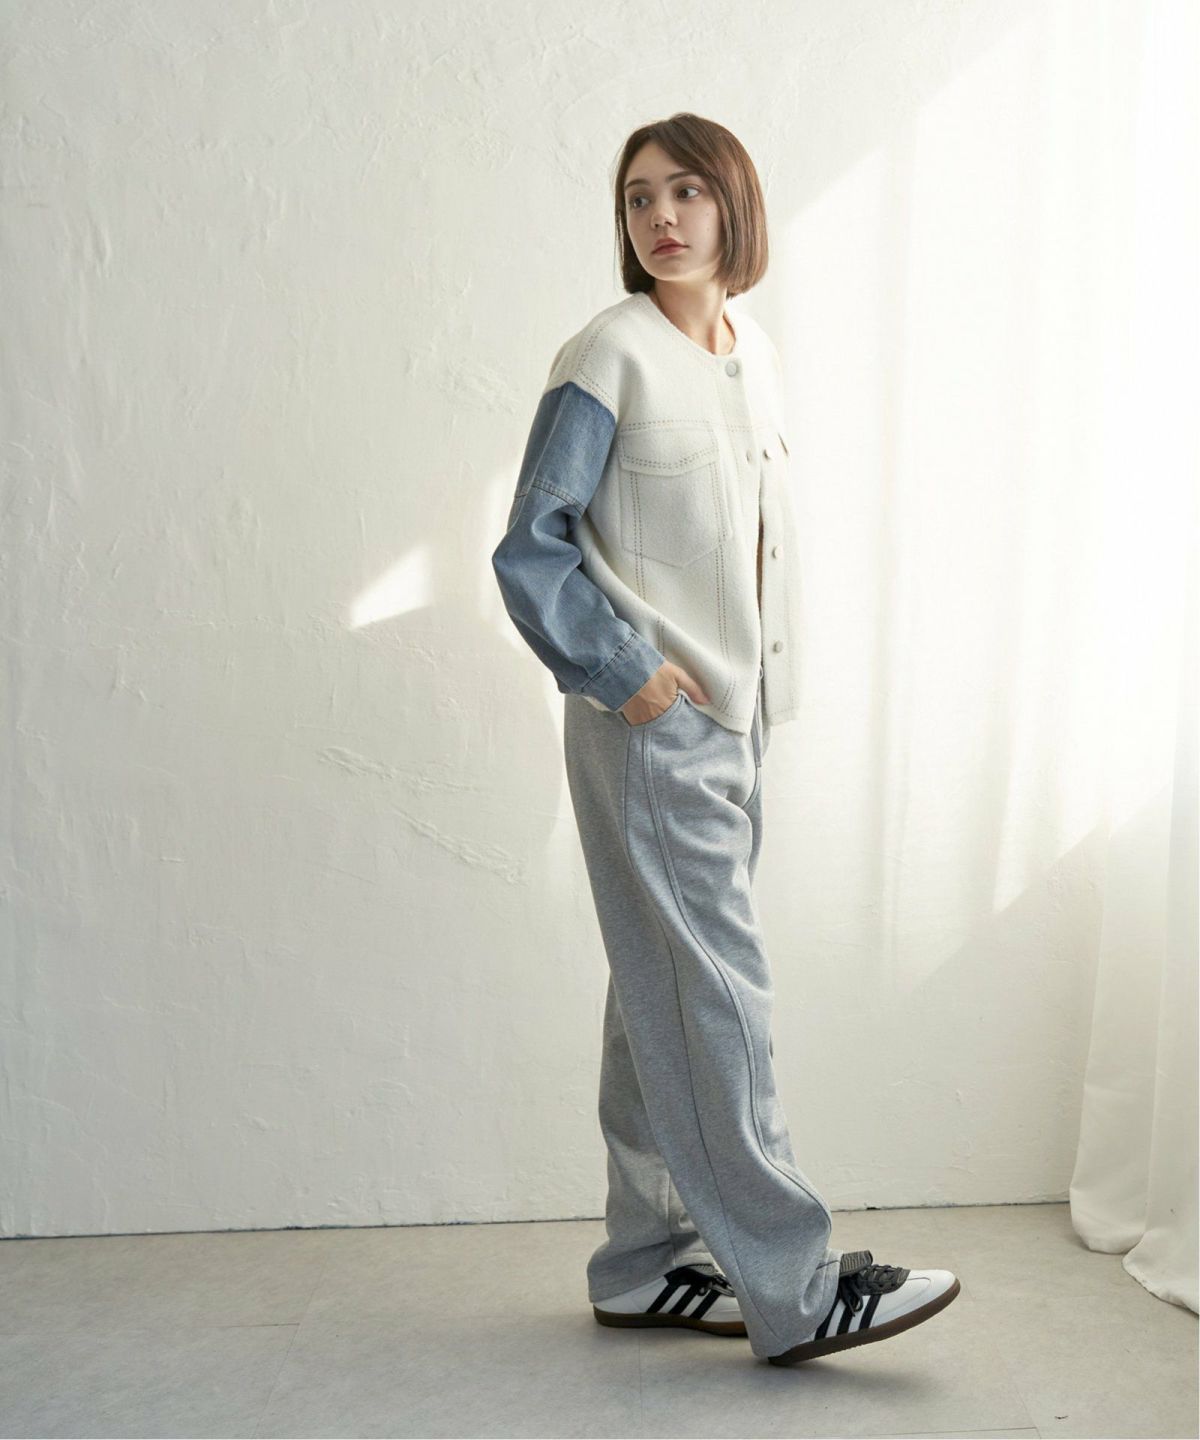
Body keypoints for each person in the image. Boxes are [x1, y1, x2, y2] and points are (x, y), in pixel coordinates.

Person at [490, 112, 959, 1367]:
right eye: (639, 196)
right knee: (719, 995)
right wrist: (628, 675)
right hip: (655, 724)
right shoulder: (610, 352)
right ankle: (795, 1288)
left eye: (687, 191)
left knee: (661, 988)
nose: (661, 216)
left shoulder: (755, 354)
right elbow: (530, 546)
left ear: (733, 205)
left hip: (740, 723)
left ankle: (644, 1263)